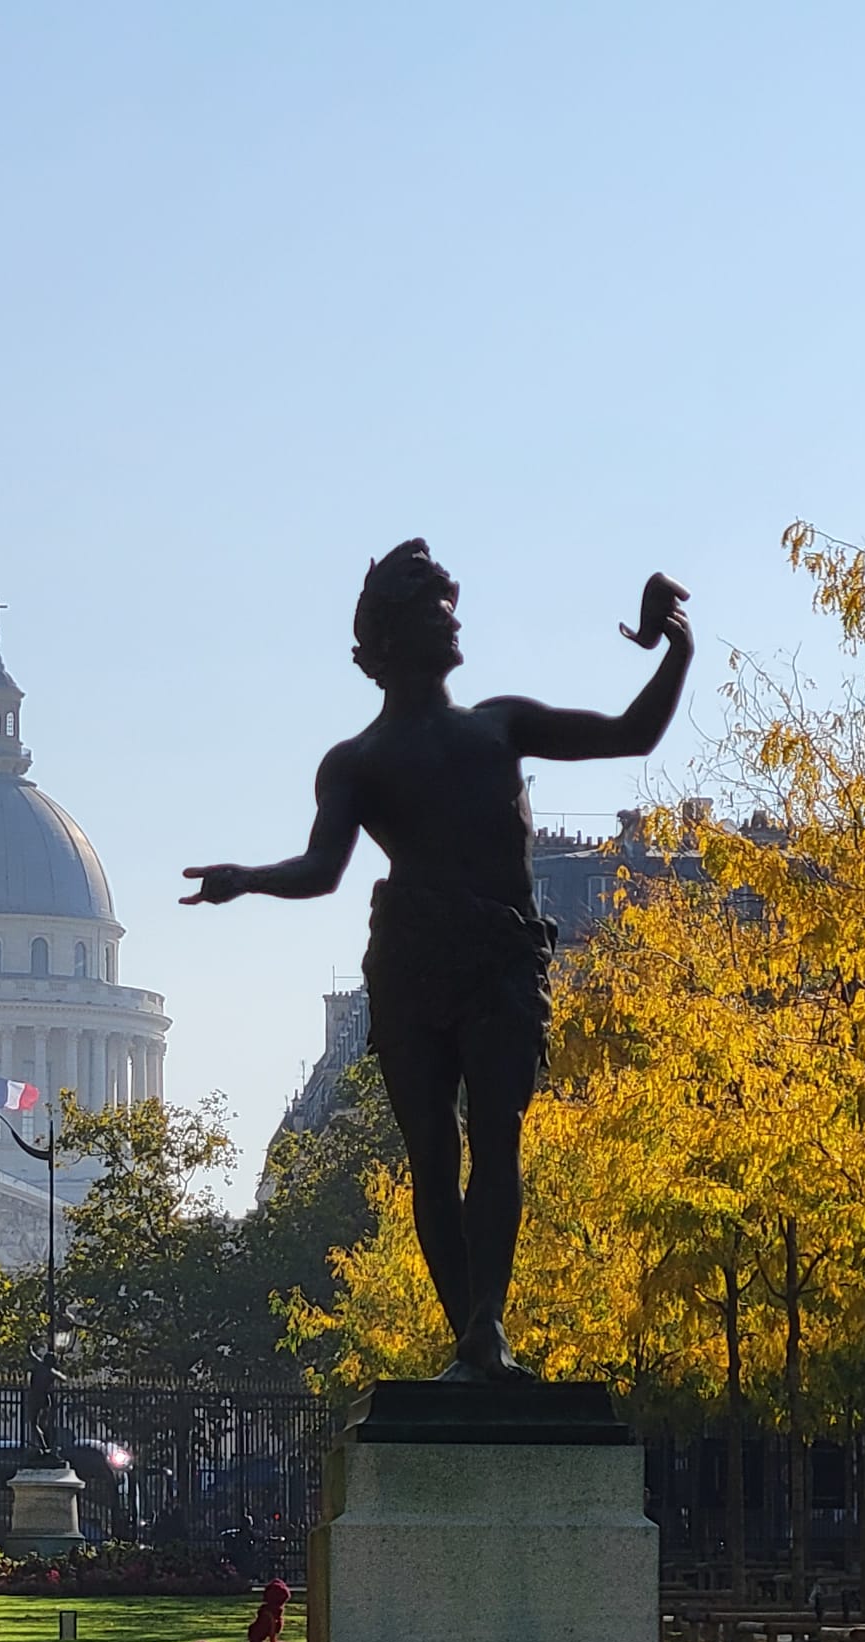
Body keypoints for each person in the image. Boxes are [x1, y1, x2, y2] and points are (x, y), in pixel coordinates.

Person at [183, 541, 692, 1381]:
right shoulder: (358, 762)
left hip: (499, 957)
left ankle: (485, 1327)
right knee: (432, 1152)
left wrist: (676, 647)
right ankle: (475, 1338)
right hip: (413, 961)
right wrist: (247, 879)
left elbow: (630, 735)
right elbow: (322, 870)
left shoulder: (500, 726)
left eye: (452, 610)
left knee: (497, 1138)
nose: (453, 624)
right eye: (433, 613)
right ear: (388, 641)